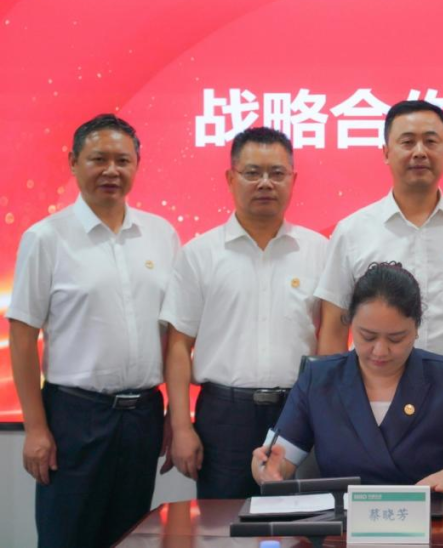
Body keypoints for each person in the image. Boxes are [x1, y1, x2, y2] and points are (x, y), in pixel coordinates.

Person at [8, 114, 180, 547]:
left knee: (130, 536)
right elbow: (23, 337)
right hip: (75, 416)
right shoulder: (46, 238)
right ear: (73, 162)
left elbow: (175, 333)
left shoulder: (161, 235)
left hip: (142, 414)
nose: (111, 171)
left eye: (122, 160)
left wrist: (175, 414)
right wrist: (35, 428)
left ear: (137, 165)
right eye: (98, 159)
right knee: (67, 536)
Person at [314, 100, 443, 447]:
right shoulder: (353, 231)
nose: (419, 151)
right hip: (374, 393)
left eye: (431, 141)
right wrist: (332, 408)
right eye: (407, 142)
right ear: (386, 152)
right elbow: (333, 327)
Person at [161, 127, 328, 499]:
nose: (265, 183)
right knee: (224, 521)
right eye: (253, 173)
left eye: (277, 173)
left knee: (304, 521)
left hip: (298, 411)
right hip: (224, 416)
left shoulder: (319, 251)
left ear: (293, 179)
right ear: (230, 178)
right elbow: (178, 346)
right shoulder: (199, 254)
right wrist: (182, 426)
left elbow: (329, 339)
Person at [253, 262, 443, 498]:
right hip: (342, 522)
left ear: (416, 328)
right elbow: (277, 460)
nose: (380, 351)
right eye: (368, 336)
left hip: (427, 519)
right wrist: (267, 469)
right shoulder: (319, 380)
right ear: (350, 322)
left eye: (396, 338)